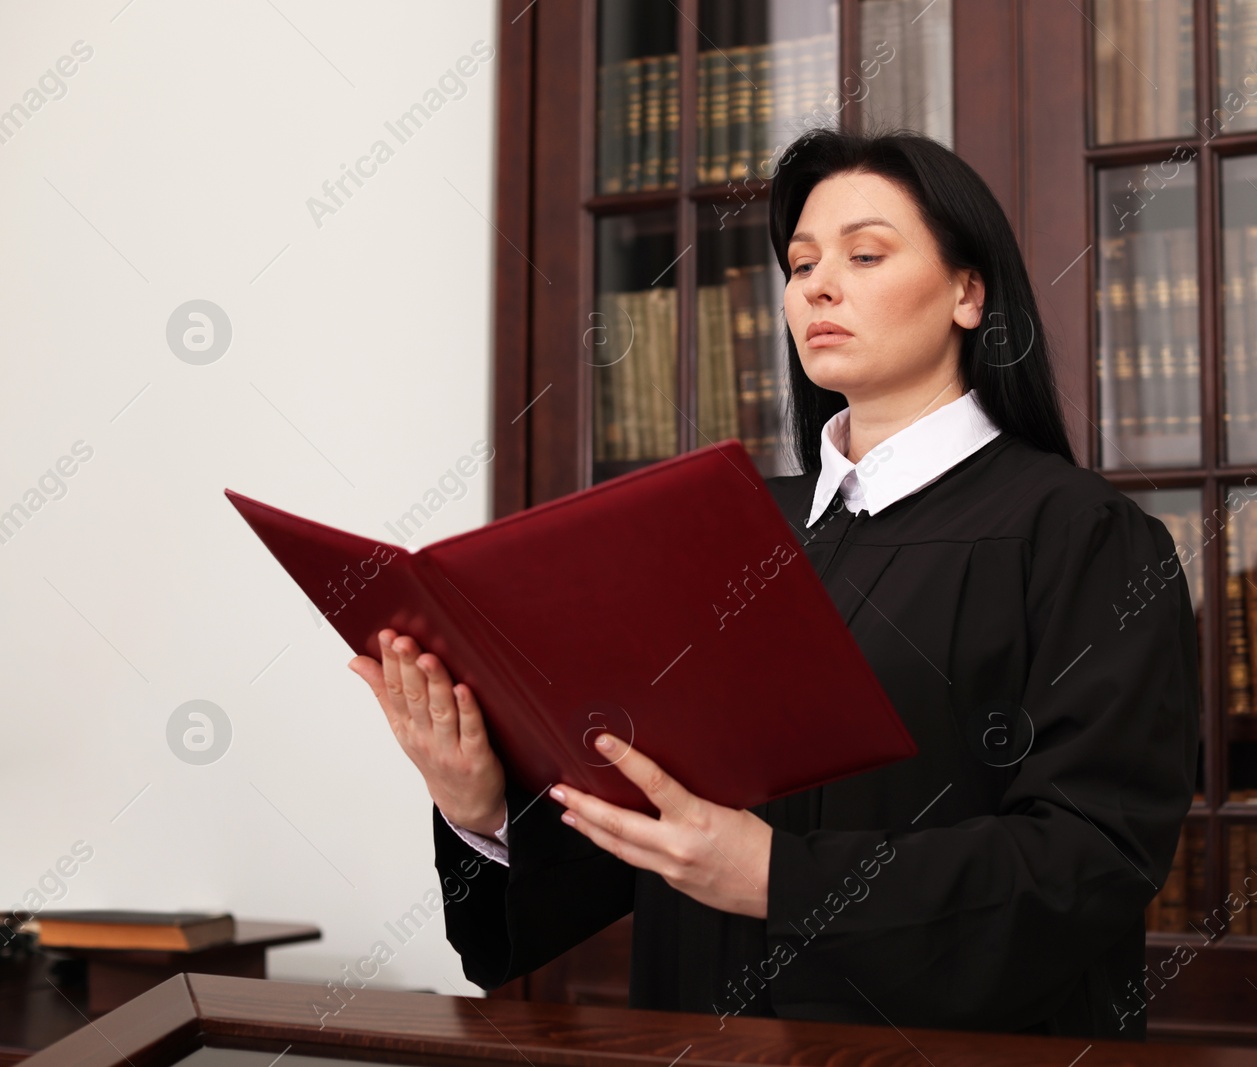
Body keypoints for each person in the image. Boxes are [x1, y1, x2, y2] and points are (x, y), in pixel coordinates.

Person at [349, 127, 1199, 1037]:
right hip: (697, 1038)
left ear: (967, 291)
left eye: (864, 254)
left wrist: (780, 879)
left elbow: (1091, 859)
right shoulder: (729, 528)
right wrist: (482, 808)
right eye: (799, 264)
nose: (817, 285)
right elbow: (660, 812)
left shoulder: (1082, 537)